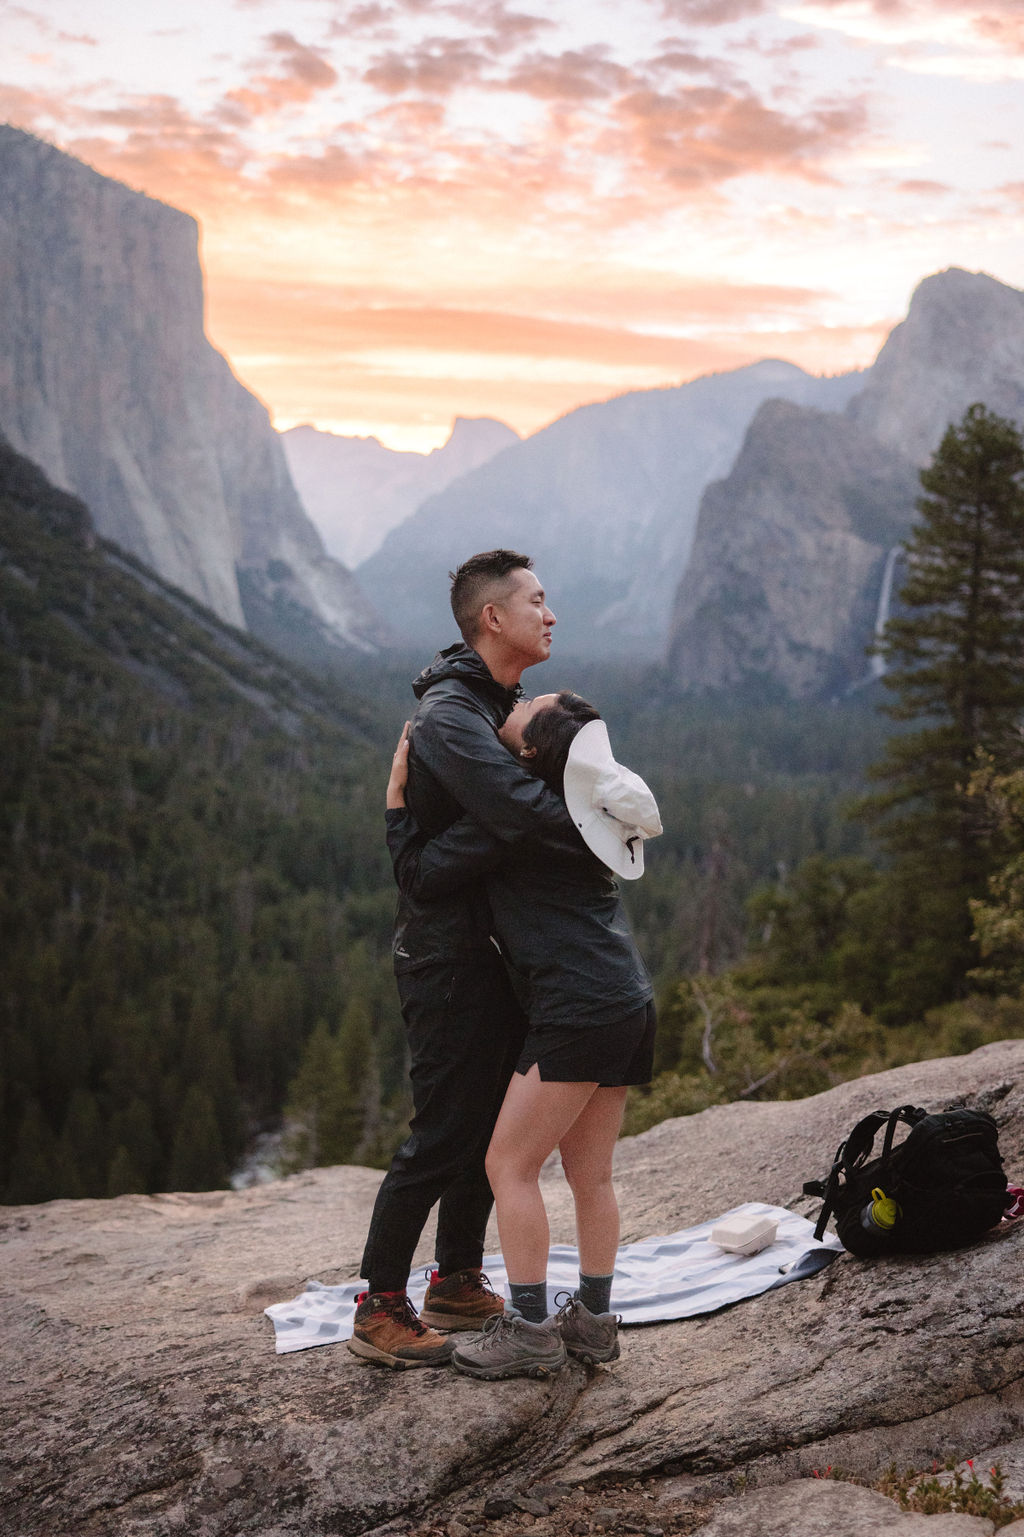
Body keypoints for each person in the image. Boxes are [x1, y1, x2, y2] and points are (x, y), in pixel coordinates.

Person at [385, 690, 662, 1379]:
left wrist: (397, 807)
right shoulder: (589, 815)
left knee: (508, 1165)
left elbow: (419, 874)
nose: (512, 700)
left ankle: (532, 1328)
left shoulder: (507, 822)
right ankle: (593, 1325)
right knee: (591, 1174)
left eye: (528, 704)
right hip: (627, 1000)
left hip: (576, 1009)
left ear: (531, 752)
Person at [348, 550, 578, 1371]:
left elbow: (496, 825)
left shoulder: (493, 702)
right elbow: (518, 814)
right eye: (538, 601)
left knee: (489, 1125)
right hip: (445, 957)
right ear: (493, 618)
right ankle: (379, 1303)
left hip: (483, 949)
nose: (551, 614)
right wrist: (569, 792)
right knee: (444, 1130)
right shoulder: (453, 714)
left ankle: (453, 1277)